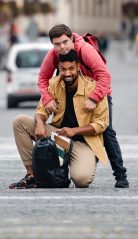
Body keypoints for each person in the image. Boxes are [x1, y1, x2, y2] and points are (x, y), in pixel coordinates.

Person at [37, 24, 128, 188]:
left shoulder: (84, 49)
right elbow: (43, 78)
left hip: (98, 93)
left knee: (106, 131)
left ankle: (120, 175)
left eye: (65, 42)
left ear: (71, 38)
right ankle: (55, 171)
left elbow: (105, 76)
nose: (62, 47)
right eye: (57, 44)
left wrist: (94, 98)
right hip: (73, 92)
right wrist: (47, 98)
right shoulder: (53, 55)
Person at [10, 50, 109, 189]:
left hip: (84, 143)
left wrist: (74, 131)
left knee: (82, 180)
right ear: (59, 69)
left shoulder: (93, 88)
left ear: (78, 68)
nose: (67, 73)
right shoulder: (54, 84)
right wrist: (39, 123)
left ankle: (70, 166)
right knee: (20, 121)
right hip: (58, 136)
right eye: (63, 69)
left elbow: (101, 124)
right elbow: (41, 109)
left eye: (71, 69)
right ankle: (32, 175)